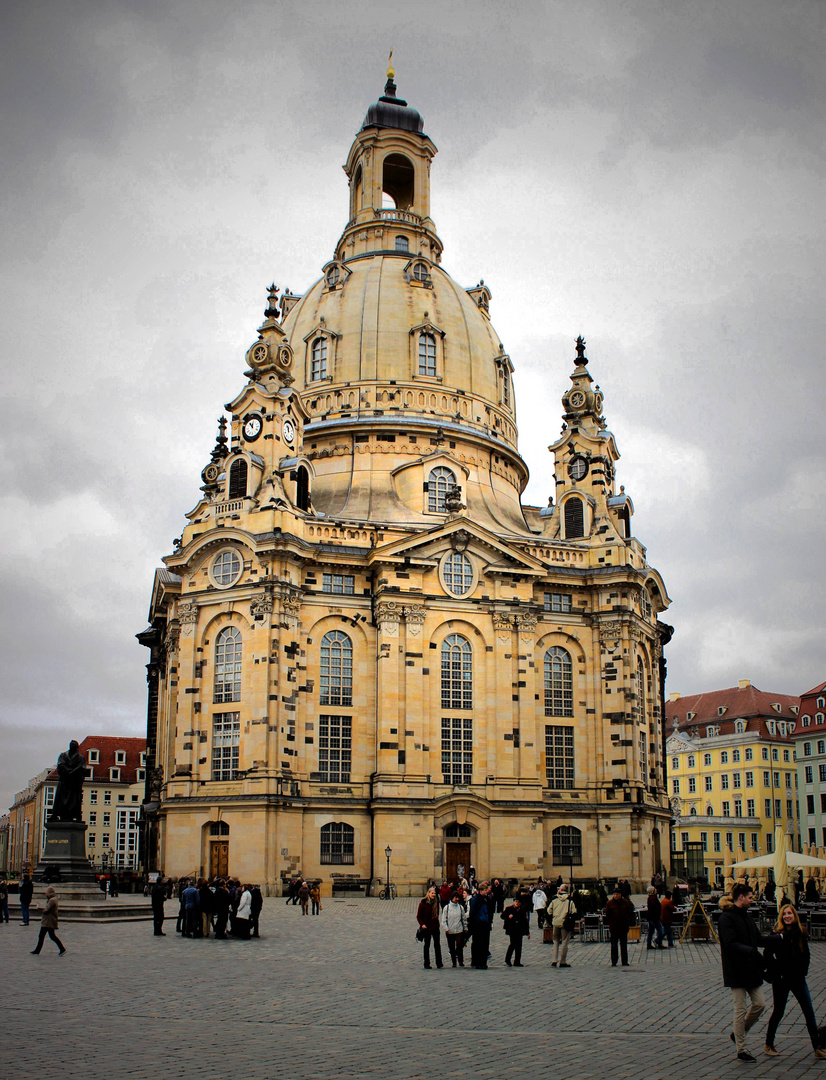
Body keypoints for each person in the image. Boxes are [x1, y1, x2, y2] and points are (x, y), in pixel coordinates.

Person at [764, 903, 826, 1059]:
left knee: (809, 1011)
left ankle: (817, 1046)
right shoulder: (777, 934)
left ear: (794, 915)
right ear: (781, 917)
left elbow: (806, 954)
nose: (787, 916)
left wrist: (803, 971)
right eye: (784, 914)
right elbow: (767, 955)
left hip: (798, 979)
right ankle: (768, 1044)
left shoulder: (801, 932)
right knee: (778, 1012)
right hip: (782, 979)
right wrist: (776, 970)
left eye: (790, 913)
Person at [719, 883, 766, 1062]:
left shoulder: (746, 917)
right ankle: (741, 1049)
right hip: (736, 969)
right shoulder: (726, 918)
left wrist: (781, 938)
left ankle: (738, 1033)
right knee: (740, 1008)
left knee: (760, 1004)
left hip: (751, 968)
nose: (752, 900)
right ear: (741, 897)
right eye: (751, 897)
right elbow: (730, 944)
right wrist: (751, 951)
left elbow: (759, 938)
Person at [30, 886, 66, 955]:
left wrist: (39, 907)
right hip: (50, 921)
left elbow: (46, 910)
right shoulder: (53, 899)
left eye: (46, 893)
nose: (45, 894)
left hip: (48, 921)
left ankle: (37, 951)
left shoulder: (52, 900)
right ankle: (62, 949)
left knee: (42, 936)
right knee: (52, 936)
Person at [605, 883, 634, 967]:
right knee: (614, 945)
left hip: (623, 927)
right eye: (614, 894)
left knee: (623, 945)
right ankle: (614, 961)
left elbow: (629, 913)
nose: (615, 896)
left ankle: (624, 961)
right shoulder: (609, 903)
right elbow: (608, 914)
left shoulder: (625, 902)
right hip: (614, 927)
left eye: (617, 894)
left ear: (620, 895)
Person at [417, 885, 444, 969]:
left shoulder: (436, 902)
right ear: (428, 893)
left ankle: (439, 963)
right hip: (427, 927)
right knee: (427, 945)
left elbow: (437, 914)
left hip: (435, 926)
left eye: (434, 893)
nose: (433, 895)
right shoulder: (423, 903)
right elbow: (419, 916)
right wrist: (422, 925)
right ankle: (426, 963)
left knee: (437, 945)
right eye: (432, 893)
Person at [468, 881, 492, 969]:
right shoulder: (475, 899)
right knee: (477, 943)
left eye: (487, 890)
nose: (487, 891)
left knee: (485, 944)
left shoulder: (488, 899)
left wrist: (490, 922)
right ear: (480, 890)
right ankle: (477, 962)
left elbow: (490, 912)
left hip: (485, 923)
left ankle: (483, 962)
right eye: (485, 890)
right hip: (477, 924)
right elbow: (472, 912)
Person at [440, 891, 468, 967]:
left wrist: (465, 928)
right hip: (450, 930)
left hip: (459, 930)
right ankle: (454, 962)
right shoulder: (447, 908)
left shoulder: (460, 907)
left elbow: (463, 918)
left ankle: (460, 961)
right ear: (452, 898)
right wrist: (446, 928)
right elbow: (444, 920)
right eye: (455, 897)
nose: (456, 899)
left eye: (457, 897)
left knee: (459, 946)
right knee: (451, 947)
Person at [550, 883, 574, 968]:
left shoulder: (554, 899)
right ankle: (563, 961)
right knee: (564, 942)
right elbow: (573, 911)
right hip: (565, 923)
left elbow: (549, 911)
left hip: (556, 922)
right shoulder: (570, 900)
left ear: (560, 890)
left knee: (556, 941)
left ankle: (554, 960)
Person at [501, 896, 530, 966]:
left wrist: (527, 932)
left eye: (519, 902)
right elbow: (502, 916)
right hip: (512, 929)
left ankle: (517, 961)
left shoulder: (522, 911)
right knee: (513, 944)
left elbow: (525, 922)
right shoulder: (509, 908)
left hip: (519, 930)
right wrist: (508, 916)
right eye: (516, 901)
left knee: (519, 946)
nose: (517, 903)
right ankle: (507, 959)